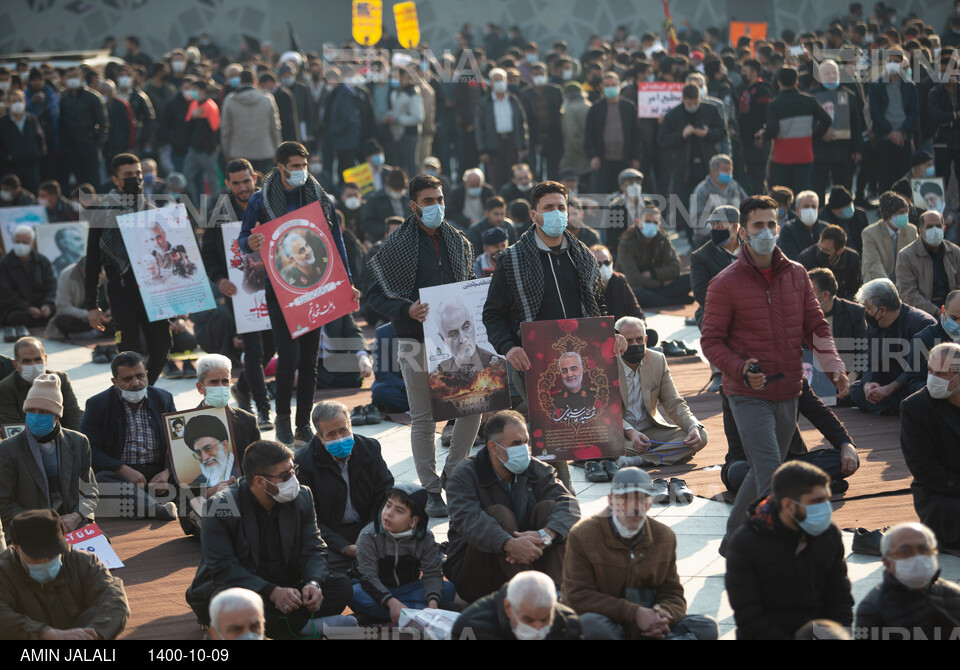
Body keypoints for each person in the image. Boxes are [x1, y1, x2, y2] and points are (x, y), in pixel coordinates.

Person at [701, 195, 848, 548]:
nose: (766, 232)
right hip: (747, 394)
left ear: (779, 228)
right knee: (770, 474)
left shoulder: (797, 274)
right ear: (742, 232)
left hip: (789, 391)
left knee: (762, 472)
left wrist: (834, 365)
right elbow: (711, 342)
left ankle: (733, 540)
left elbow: (816, 326)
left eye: (771, 224)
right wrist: (738, 367)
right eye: (757, 225)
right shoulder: (724, 282)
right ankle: (776, 549)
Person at [483, 181, 624, 490]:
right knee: (551, 432)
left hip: (581, 358)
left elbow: (596, 305)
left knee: (588, 420)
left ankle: (592, 467)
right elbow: (492, 314)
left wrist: (612, 333)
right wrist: (508, 348)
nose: (557, 214)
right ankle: (562, 494)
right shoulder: (512, 259)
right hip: (532, 361)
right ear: (534, 215)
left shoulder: (582, 255)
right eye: (549, 208)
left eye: (562, 207)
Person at [366, 174, 480, 518]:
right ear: (413, 205)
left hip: (458, 342)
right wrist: (406, 309)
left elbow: (469, 285)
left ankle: (453, 472)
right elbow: (374, 295)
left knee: (472, 408)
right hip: (415, 342)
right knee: (424, 419)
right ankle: (431, 490)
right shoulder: (395, 246)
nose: (436, 206)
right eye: (428, 201)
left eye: (440, 199)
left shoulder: (459, 241)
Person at [238, 141, 359, 446]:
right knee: (288, 355)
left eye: (304, 166)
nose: (301, 172)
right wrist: (249, 243)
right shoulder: (260, 200)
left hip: (316, 287)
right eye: (294, 166)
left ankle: (303, 423)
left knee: (308, 360)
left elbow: (336, 241)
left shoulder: (319, 196)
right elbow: (243, 237)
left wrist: (347, 280)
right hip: (280, 289)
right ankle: (281, 418)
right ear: (280, 167)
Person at [185, 440, 354, 640]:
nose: (293, 479)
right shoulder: (220, 506)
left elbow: (313, 547)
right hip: (243, 586)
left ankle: (288, 627)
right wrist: (272, 592)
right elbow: (223, 567)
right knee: (233, 605)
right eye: (285, 475)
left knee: (341, 586)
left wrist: (313, 583)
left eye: (293, 470)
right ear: (260, 482)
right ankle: (304, 628)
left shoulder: (302, 496)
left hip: (290, 586)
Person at [562, 468, 719, 640]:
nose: (635, 507)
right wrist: (634, 613)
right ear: (611, 501)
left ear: (650, 503)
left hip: (650, 624)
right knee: (590, 624)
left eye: (642, 499)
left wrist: (663, 615)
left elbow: (673, 593)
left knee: (706, 626)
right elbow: (577, 596)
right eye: (626, 499)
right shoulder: (583, 534)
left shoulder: (664, 536)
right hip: (611, 622)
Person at [443, 410, 580, 603]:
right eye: (516, 443)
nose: (524, 449)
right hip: (477, 573)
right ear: (494, 448)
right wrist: (509, 543)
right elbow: (469, 520)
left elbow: (570, 505)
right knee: (498, 514)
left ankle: (556, 595)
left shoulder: (537, 469)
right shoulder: (465, 475)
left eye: (525, 442)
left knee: (550, 509)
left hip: (534, 559)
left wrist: (546, 534)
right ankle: (532, 598)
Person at [724, 461, 854, 639]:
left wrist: (837, 634)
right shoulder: (745, 544)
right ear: (788, 506)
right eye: (816, 501)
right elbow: (750, 618)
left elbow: (840, 597)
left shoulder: (828, 534)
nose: (825, 508)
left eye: (826, 499)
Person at [85, 153, 171, 386]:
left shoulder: (153, 210)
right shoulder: (101, 213)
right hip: (122, 292)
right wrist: (92, 305)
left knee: (162, 350)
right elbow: (92, 261)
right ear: (116, 180)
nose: (135, 179)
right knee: (129, 357)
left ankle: (144, 391)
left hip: (154, 293)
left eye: (137, 174)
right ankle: (129, 399)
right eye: (128, 175)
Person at [294, 401, 394, 575]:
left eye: (343, 430)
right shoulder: (304, 462)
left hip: (369, 527)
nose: (340, 438)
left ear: (350, 425)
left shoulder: (370, 449)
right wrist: (343, 547)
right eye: (331, 434)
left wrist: (369, 535)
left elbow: (385, 495)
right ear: (319, 437)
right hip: (331, 536)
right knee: (319, 569)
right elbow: (308, 516)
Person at [0, 509, 129, 640]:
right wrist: (44, 633)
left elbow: (114, 598)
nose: (45, 561)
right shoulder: (4, 571)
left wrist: (93, 634)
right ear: (16, 548)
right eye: (36, 557)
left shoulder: (82, 561)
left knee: (98, 612)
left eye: (52, 554)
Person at [80, 351, 178, 520]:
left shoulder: (164, 398)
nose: (136, 383)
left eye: (140, 376)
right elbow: (90, 449)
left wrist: (167, 473)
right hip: (120, 474)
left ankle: (141, 503)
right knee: (101, 480)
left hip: (158, 473)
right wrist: (122, 469)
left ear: (146, 374)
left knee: (191, 474)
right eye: (127, 379)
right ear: (114, 381)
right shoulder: (97, 404)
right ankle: (156, 508)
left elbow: (178, 443)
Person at [0, 374, 98, 542]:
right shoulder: (8, 449)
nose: (36, 416)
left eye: (44, 411)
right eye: (31, 410)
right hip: (29, 528)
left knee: (92, 562)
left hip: (71, 525)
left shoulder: (78, 442)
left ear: (57, 415)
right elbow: (4, 503)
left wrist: (77, 515)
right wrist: (44, 523)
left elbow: (89, 490)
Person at [351, 482, 457, 622]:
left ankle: (391, 615)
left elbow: (432, 573)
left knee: (448, 589)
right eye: (388, 505)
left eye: (399, 510)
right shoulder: (369, 535)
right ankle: (414, 614)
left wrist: (432, 603)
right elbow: (368, 577)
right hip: (375, 590)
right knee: (354, 594)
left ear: (414, 520)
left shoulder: (425, 537)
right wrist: (391, 602)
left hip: (408, 589)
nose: (388, 513)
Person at [614, 317, 707, 468]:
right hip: (620, 434)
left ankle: (640, 460)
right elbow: (605, 412)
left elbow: (674, 402)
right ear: (619, 341)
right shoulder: (607, 365)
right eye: (629, 341)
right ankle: (664, 454)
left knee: (700, 436)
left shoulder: (657, 360)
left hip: (651, 431)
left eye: (639, 340)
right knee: (607, 448)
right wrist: (631, 433)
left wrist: (692, 426)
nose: (635, 345)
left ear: (645, 339)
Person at [900, 343, 960, 553]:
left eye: (941, 373)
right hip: (941, 494)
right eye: (930, 371)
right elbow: (924, 468)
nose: (933, 378)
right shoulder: (915, 407)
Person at [855, 522, 960, 638]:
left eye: (923, 549)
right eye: (905, 552)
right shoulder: (873, 610)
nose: (917, 557)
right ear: (887, 562)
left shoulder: (953, 595)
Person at [850, 278, 936, 415]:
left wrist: (889, 389)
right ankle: (897, 407)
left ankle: (895, 407)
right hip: (888, 381)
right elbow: (871, 359)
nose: (866, 312)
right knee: (856, 389)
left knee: (921, 391)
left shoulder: (921, 323)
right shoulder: (875, 325)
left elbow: (917, 369)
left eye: (868, 308)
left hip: (911, 382)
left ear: (882, 310)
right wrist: (869, 383)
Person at [658, 84, 727, 244]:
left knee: (712, 204)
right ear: (683, 100)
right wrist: (682, 134)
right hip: (684, 170)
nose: (692, 106)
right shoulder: (674, 115)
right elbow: (662, 139)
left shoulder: (710, 111)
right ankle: (692, 241)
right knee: (688, 206)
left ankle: (715, 239)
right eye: (689, 104)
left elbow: (722, 132)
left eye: (695, 103)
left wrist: (707, 133)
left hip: (707, 167)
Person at [452, 570, 584, 640]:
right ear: (508, 608)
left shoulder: (568, 624)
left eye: (545, 619)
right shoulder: (470, 627)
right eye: (528, 620)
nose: (537, 628)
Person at [615, 204, 692, 307]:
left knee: (690, 278)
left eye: (655, 222)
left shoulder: (662, 239)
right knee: (635, 292)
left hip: (657, 282)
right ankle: (672, 301)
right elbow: (633, 278)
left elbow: (676, 268)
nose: (651, 225)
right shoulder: (626, 243)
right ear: (637, 222)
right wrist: (661, 284)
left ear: (659, 224)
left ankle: (658, 300)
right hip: (639, 287)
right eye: (647, 221)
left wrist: (653, 274)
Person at [0, 337, 83, 429]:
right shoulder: (5, 388)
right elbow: (13, 427)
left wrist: (77, 440)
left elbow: (73, 415)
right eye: (27, 361)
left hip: (61, 437)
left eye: (38, 359)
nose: (33, 365)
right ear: (16, 365)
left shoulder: (61, 379)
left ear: (45, 359)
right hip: (25, 440)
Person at [868, 47, 918, 192]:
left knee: (903, 177)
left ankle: (902, 207)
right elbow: (875, 113)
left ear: (902, 63)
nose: (892, 64)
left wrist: (901, 132)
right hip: (884, 137)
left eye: (896, 61)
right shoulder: (876, 85)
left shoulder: (910, 86)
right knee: (884, 177)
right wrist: (891, 132)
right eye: (889, 61)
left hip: (904, 137)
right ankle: (885, 209)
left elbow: (913, 114)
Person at [585, 71, 640, 197]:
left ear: (619, 85)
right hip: (602, 161)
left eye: (613, 84)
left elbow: (636, 135)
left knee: (623, 197)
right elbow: (589, 134)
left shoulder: (629, 107)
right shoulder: (596, 108)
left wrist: (636, 157)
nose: (611, 87)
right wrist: (593, 156)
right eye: (607, 85)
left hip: (624, 160)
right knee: (602, 197)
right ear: (602, 87)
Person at [896, 210, 960, 317]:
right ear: (921, 231)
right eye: (929, 227)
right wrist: (938, 312)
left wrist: (953, 311)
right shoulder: (906, 256)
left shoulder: (955, 252)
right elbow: (908, 294)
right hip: (921, 314)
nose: (935, 230)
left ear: (944, 229)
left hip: (954, 311)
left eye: (938, 226)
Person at [475, 68, 529, 190]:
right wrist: (482, 150)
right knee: (496, 178)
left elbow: (522, 123)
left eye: (502, 80)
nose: (499, 82)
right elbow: (480, 128)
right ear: (491, 83)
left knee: (513, 177)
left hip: (512, 143)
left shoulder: (513, 100)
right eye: (496, 80)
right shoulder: (485, 103)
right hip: (493, 145)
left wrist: (524, 145)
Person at [220, 69, 281, 174]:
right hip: (264, 151)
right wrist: (277, 149)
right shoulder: (267, 99)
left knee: (242, 187)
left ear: (240, 82)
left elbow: (226, 130)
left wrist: (226, 152)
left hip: (238, 153)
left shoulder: (230, 101)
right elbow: (275, 127)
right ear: (255, 81)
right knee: (265, 186)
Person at [0, 225, 56, 338]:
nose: (20, 245)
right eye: (17, 241)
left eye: (25, 242)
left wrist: (47, 305)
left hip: (41, 307)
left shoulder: (42, 261)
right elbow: (6, 293)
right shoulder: (4, 264)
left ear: (32, 243)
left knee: (59, 314)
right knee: (15, 317)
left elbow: (51, 286)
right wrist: (28, 308)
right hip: (18, 308)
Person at [58, 66, 106, 189]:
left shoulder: (93, 97)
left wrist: (97, 145)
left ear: (81, 77)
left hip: (89, 146)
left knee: (92, 181)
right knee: (75, 184)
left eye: (75, 76)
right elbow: (61, 124)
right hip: (71, 148)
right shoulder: (63, 99)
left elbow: (102, 123)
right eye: (69, 77)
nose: (72, 79)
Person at [690, 154, 748, 244]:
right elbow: (697, 222)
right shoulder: (701, 191)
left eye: (730, 169)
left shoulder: (735, 187)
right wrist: (723, 228)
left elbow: (747, 206)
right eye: (725, 170)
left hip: (736, 234)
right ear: (713, 172)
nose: (729, 173)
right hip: (709, 238)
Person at [861, 191, 918, 283]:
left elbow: (916, 259)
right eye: (900, 212)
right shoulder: (870, 234)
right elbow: (874, 265)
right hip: (879, 281)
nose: (904, 215)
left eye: (906, 211)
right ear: (888, 215)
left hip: (904, 281)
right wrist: (889, 287)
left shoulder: (911, 230)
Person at [0, 88, 46, 196]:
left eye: (20, 100)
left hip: (31, 167)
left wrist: (38, 154)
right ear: (8, 104)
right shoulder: (2, 123)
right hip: (11, 168)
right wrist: (7, 157)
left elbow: (40, 139)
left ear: (24, 102)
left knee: (32, 196)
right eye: (14, 101)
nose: (17, 104)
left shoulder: (32, 119)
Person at [798, 224, 863, 301]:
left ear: (840, 251)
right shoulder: (806, 259)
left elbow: (854, 290)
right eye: (820, 247)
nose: (821, 252)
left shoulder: (852, 259)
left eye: (827, 251)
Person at [592, 244, 645, 322]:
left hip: (622, 330)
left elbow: (637, 314)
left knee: (651, 333)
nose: (603, 267)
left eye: (607, 262)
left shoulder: (619, 280)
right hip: (598, 331)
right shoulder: (584, 286)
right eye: (598, 264)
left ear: (612, 263)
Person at [776, 190, 827, 261]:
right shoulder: (788, 229)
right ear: (797, 210)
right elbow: (790, 259)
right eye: (806, 207)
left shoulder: (825, 229)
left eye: (813, 207)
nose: (810, 210)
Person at [821, 186, 868, 254]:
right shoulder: (823, 220)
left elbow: (867, 239)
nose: (850, 209)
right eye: (846, 208)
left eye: (850, 205)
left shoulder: (860, 215)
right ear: (834, 210)